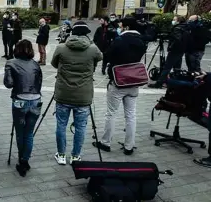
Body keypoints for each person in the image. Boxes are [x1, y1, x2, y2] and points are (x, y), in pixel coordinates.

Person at [51, 21, 102, 165]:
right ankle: (75, 156)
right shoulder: (93, 49)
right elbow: (100, 58)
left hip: (63, 93)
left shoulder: (61, 47)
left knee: (61, 124)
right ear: (87, 34)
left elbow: (54, 64)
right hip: (83, 95)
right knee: (81, 127)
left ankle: (61, 155)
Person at [93, 17, 146, 156]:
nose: (119, 27)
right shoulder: (141, 41)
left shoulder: (120, 40)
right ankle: (129, 145)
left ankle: (106, 142)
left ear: (127, 27)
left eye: (121, 25)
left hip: (118, 81)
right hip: (134, 81)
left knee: (111, 113)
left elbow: (107, 55)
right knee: (131, 115)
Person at [4, 39, 42, 177]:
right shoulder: (35, 64)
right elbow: (39, 84)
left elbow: (8, 84)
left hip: (20, 100)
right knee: (29, 133)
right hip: (36, 100)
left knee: (20, 133)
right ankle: (25, 159)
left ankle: (22, 160)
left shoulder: (11, 63)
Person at [154, 15, 190, 88]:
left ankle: (159, 83)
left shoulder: (177, 28)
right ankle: (175, 81)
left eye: (174, 20)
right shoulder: (186, 27)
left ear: (178, 21)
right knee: (177, 67)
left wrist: (171, 46)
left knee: (167, 67)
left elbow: (177, 39)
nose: (173, 21)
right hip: (181, 50)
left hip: (175, 50)